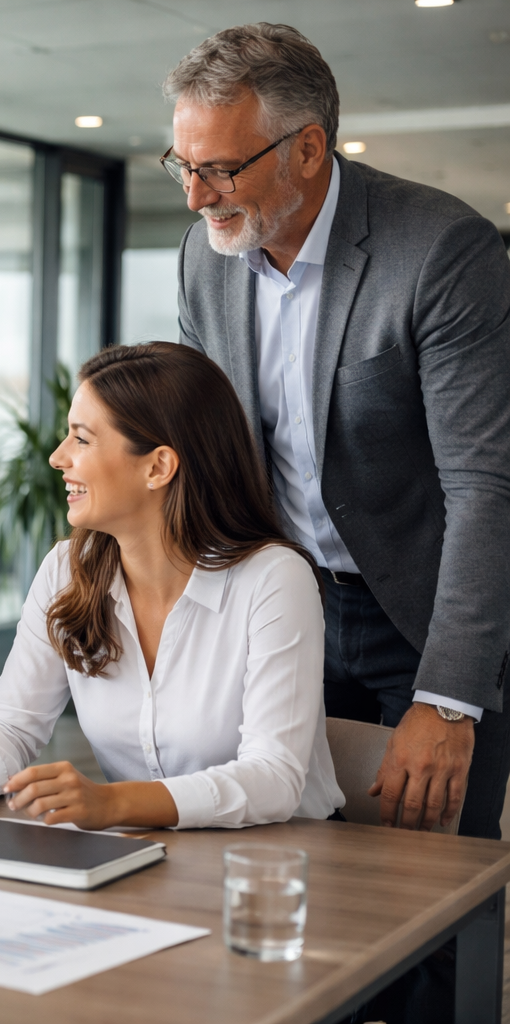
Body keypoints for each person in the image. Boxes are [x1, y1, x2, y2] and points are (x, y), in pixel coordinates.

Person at [165, 24, 510, 839]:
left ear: (308, 148)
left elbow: (486, 487)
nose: (195, 196)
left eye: (219, 169)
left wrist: (448, 700)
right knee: (279, 860)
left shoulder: (439, 250)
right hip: (286, 608)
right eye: (184, 166)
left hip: (421, 620)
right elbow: (198, 453)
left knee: (421, 898)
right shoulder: (203, 258)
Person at [0, 343, 342, 830]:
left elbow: (273, 778)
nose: (58, 458)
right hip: (147, 860)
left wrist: (114, 804)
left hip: (283, 867)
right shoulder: (67, 569)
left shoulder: (273, 579)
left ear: (158, 467)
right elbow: (13, 719)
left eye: (81, 439)